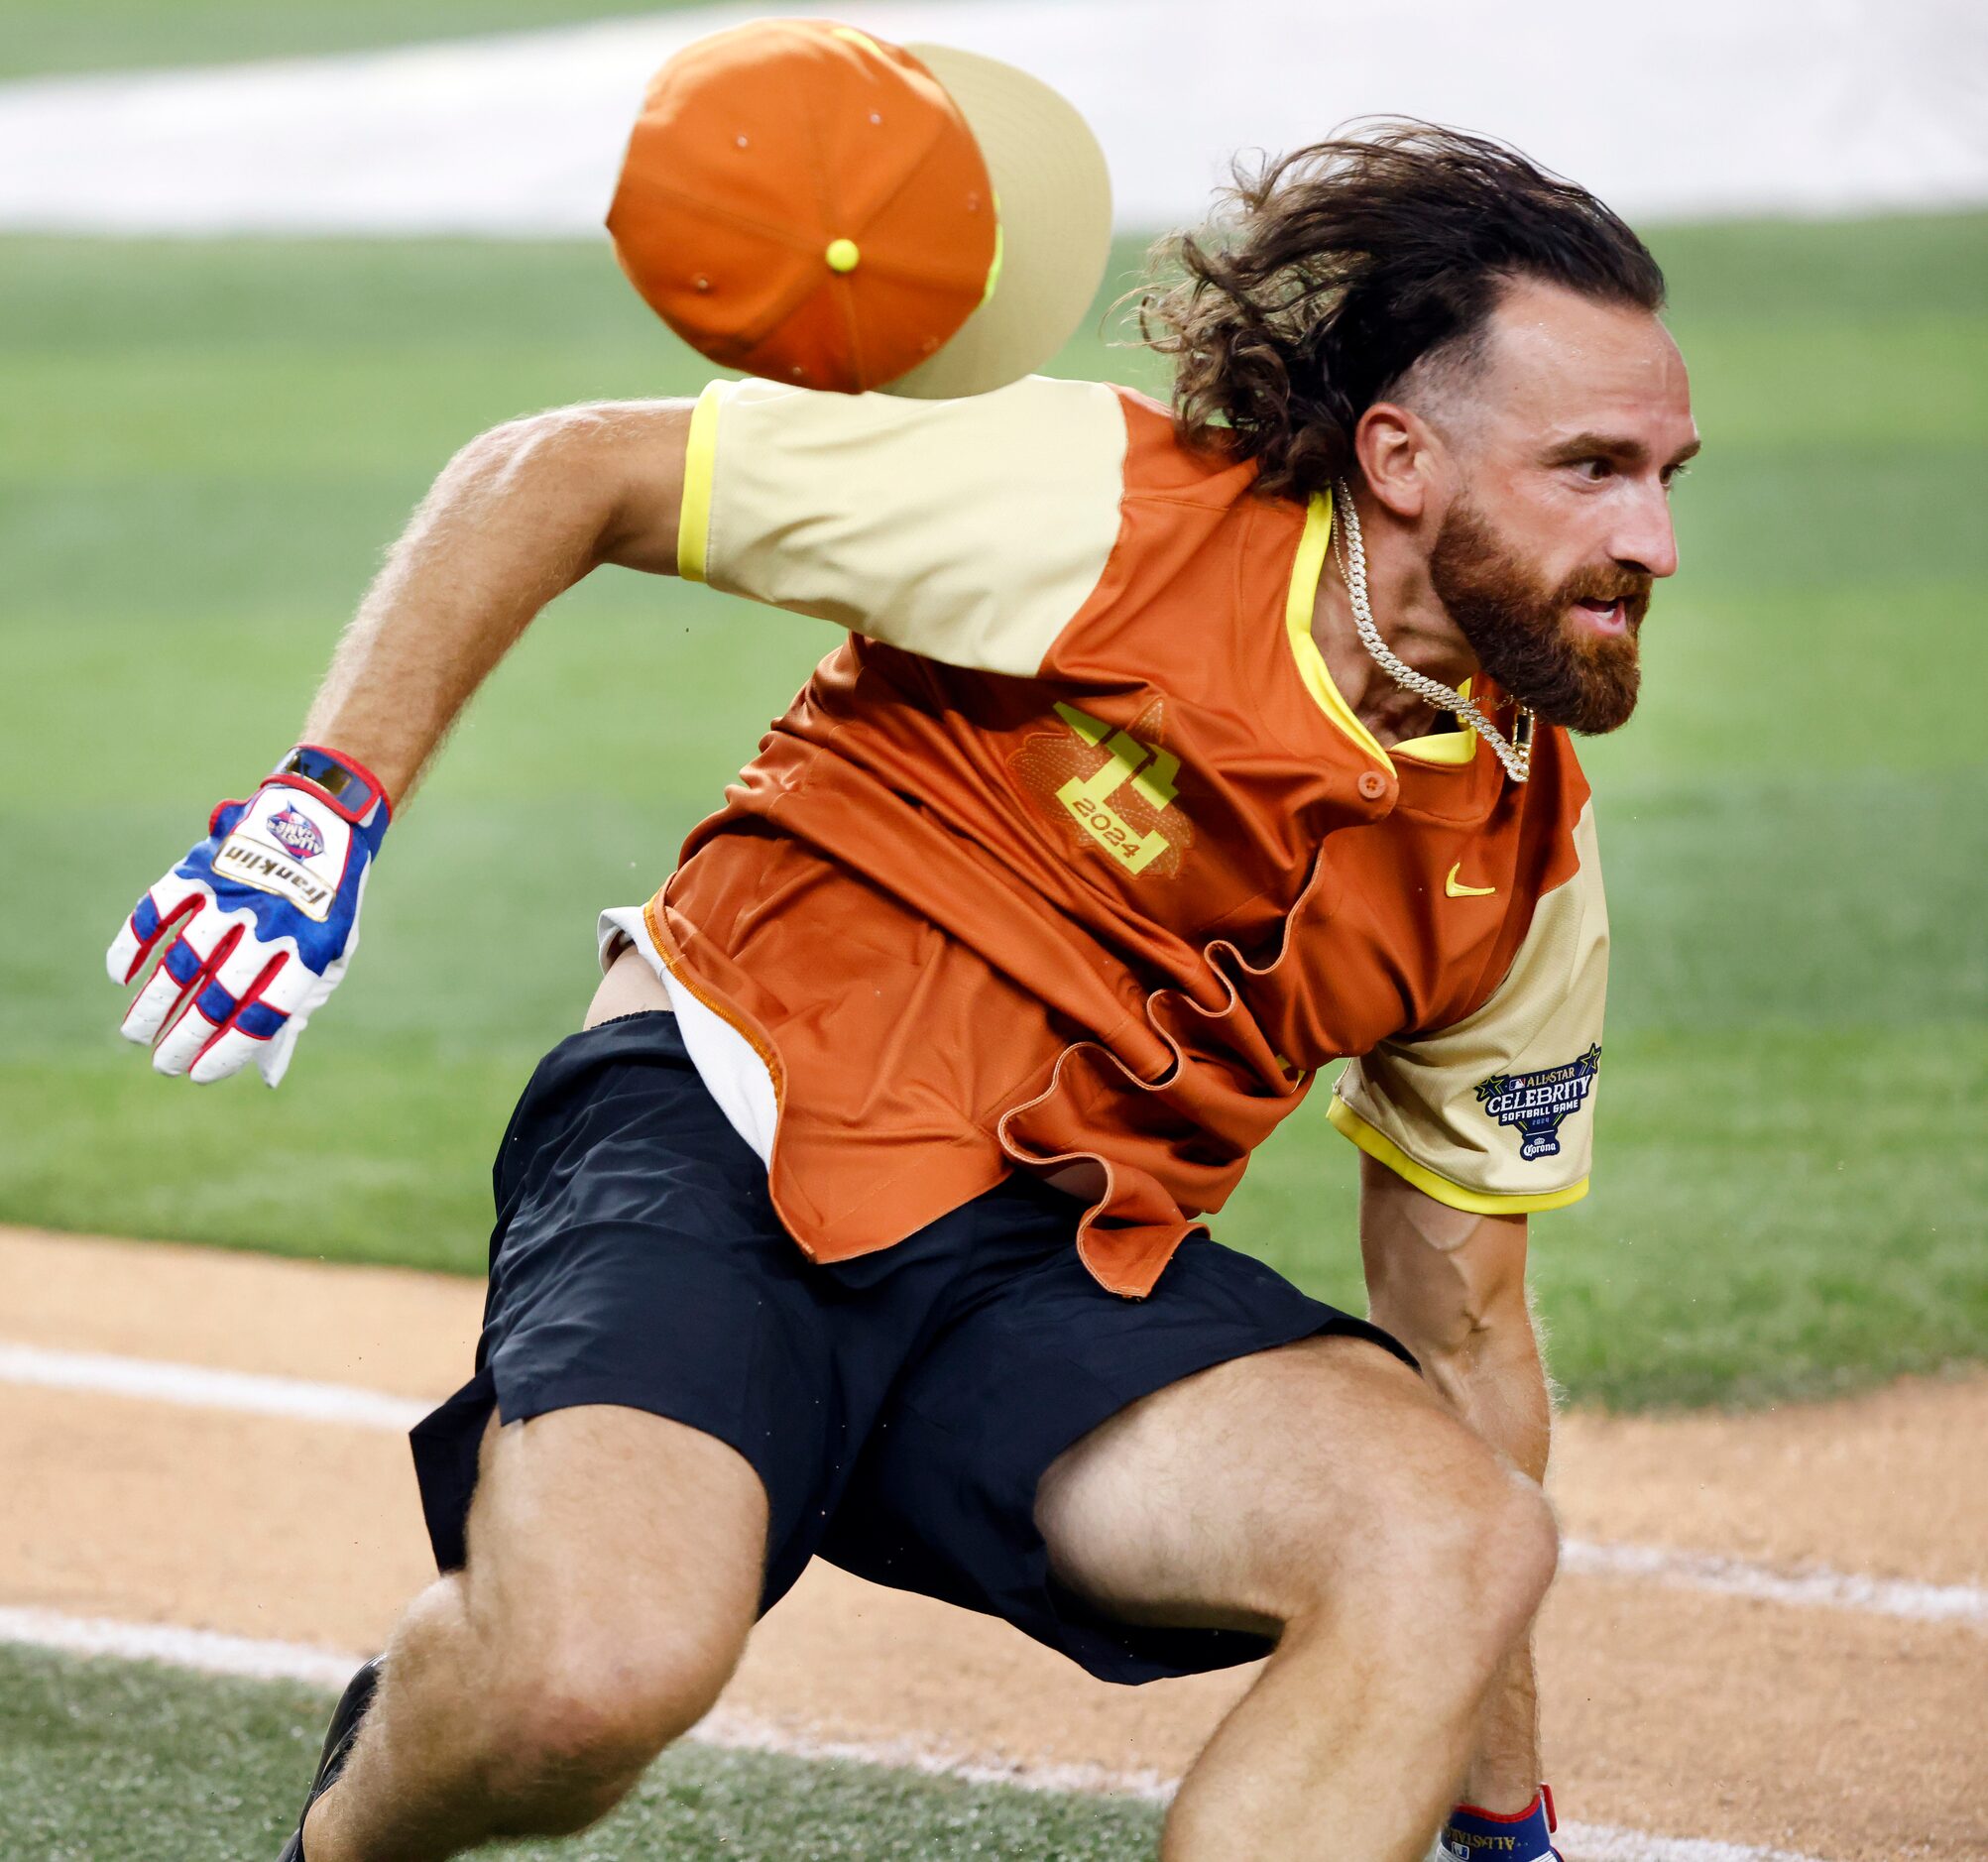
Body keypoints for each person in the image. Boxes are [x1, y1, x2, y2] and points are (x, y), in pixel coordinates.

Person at [107, 120, 1696, 1862]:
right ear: (1401, 457)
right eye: (1593, 470)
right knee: (586, 1679)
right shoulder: (1106, 507)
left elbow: (1465, 1326)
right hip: (729, 1129)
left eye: (1665, 476)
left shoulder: (1525, 858)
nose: (1655, 542)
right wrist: (321, 805)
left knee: (1457, 1534)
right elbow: (561, 469)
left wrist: (1496, 1807)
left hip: (1049, 1278)